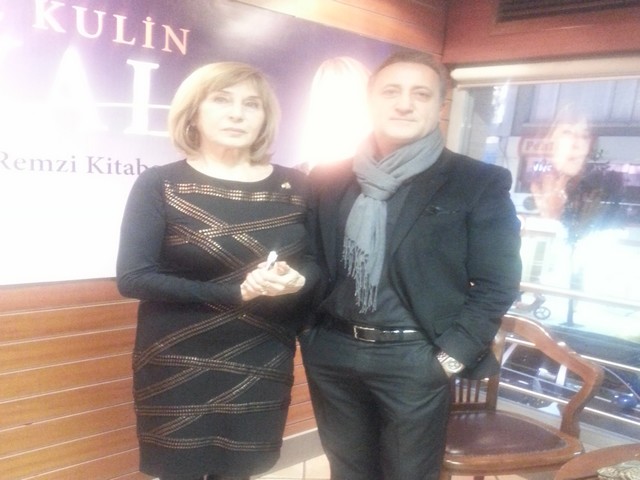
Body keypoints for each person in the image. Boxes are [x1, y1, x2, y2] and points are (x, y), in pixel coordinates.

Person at [300, 51, 522, 480]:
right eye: (391, 92)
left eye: (420, 94)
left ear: (439, 106)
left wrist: (450, 358)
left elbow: (498, 283)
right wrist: (310, 335)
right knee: (347, 473)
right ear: (370, 102)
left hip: (416, 358)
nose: (404, 104)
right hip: (333, 352)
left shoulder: (476, 181)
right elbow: (310, 258)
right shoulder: (327, 177)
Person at [116, 62, 320, 480]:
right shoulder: (161, 184)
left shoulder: (298, 186)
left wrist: (299, 280)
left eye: (252, 104)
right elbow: (133, 277)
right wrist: (235, 293)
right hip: (178, 360)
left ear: (265, 118)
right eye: (222, 100)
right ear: (193, 113)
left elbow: (318, 264)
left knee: (241, 470)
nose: (237, 114)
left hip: (262, 355)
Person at [529, 112, 592, 218]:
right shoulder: (538, 187)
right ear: (549, 139)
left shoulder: (590, 191)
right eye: (567, 133)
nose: (576, 144)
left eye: (584, 136)